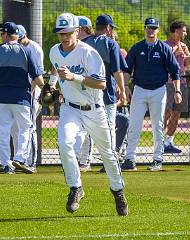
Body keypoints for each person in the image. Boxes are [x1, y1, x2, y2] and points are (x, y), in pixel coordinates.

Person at [49, 13, 128, 216]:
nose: (64, 37)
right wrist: (52, 87)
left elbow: (101, 83)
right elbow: (56, 70)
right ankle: (76, 187)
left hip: (94, 109)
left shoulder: (89, 53)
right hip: (70, 109)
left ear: (77, 31)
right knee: (65, 144)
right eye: (60, 33)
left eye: (67, 32)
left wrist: (74, 77)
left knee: (107, 154)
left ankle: (118, 191)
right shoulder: (54, 52)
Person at [0, 22, 44, 174]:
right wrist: (47, 89)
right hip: (22, 99)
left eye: (2, 34)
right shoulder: (26, 52)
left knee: (3, 131)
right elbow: (37, 77)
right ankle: (20, 158)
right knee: (25, 129)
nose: (1, 36)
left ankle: (6, 164)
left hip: (1, 100)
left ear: (6, 34)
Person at [121, 17, 181, 172]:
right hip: (139, 90)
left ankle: (157, 159)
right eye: (148, 27)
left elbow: (175, 72)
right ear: (145, 29)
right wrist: (125, 87)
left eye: (154, 28)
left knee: (158, 125)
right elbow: (127, 69)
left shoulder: (164, 48)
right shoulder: (137, 48)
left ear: (158, 30)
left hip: (159, 91)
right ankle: (129, 159)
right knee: (134, 124)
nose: (151, 30)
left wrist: (177, 91)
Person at [77, 14, 127, 172]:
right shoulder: (110, 43)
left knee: (85, 127)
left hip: (86, 93)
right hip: (107, 93)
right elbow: (117, 71)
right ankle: (109, 163)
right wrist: (123, 91)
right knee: (109, 128)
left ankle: (83, 161)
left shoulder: (83, 43)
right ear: (108, 28)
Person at [15, 24, 44, 172]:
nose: (19, 41)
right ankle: (23, 159)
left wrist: (31, 92)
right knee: (22, 126)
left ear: (25, 36)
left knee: (30, 125)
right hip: (22, 90)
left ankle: (31, 162)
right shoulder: (19, 48)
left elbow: (36, 74)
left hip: (33, 90)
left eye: (20, 38)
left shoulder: (34, 48)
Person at [163, 21, 190, 153]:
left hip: (182, 83)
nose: (185, 33)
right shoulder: (164, 45)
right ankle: (159, 141)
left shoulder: (183, 45)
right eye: (183, 31)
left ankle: (168, 142)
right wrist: (174, 54)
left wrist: (188, 56)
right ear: (176, 31)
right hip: (168, 83)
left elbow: (187, 66)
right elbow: (161, 64)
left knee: (176, 113)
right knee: (166, 112)